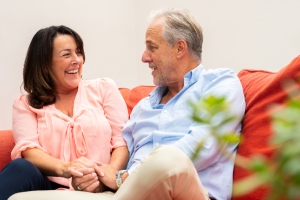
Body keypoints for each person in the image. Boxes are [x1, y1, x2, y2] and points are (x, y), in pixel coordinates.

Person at [9, 8, 245, 200]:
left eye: (152, 47)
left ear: (179, 48)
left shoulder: (219, 84)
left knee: (168, 158)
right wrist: (98, 178)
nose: (144, 57)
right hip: (130, 193)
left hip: (187, 192)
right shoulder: (144, 107)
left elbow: (202, 146)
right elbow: (121, 155)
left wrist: (124, 178)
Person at [0, 25, 129, 200]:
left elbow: (121, 141)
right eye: (66, 54)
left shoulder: (103, 88)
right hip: (49, 186)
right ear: (44, 63)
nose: (77, 60)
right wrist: (67, 168)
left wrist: (108, 176)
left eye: (79, 52)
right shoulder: (25, 104)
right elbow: (29, 150)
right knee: (20, 168)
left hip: (101, 183)